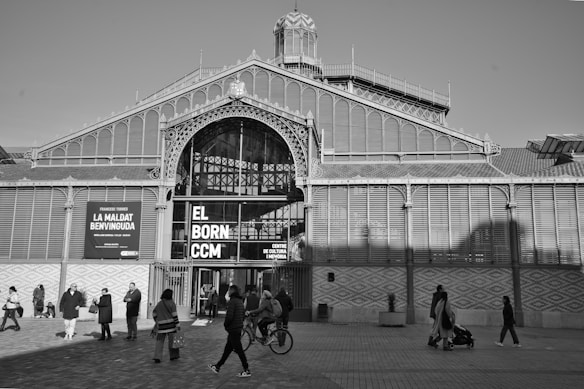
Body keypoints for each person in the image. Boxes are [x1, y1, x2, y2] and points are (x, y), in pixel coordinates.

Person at [208, 284, 251, 378]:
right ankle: (218, 366)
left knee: (239, 350)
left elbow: (229, 316)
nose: (228, 292)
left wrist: (226, 324)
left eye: (229, 290)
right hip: (237, 328)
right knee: (228, 349)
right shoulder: (240, 301)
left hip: (233, 329)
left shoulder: (232, 301)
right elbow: (242, 315)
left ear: (232, 291)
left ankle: (246, 369)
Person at [152, 289, 181, 363]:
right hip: (171, 326)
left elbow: (154, 313)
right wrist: (178, 324)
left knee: (159, 341)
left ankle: (157, 356)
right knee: (173, 341)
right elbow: (174, 315)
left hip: (161, 326)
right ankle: (174, 356)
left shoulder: (159, 304)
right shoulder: (172, 303)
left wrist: (157, 321)